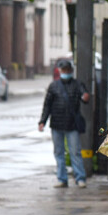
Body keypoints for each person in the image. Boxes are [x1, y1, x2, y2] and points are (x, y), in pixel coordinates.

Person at [38, 60, 90, 188]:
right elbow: (47, 106)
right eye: (63, 70)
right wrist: (42, 121)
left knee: (75, 152)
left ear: (71, 71)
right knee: (58, 152)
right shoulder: (53, 86)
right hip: (56, 124)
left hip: (72, 125)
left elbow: (85, 96)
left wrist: (85, 96)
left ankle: (80, 178)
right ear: (60, 71)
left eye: (67, 70)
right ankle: (62, 178)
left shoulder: (77, 84)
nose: (65, 72)